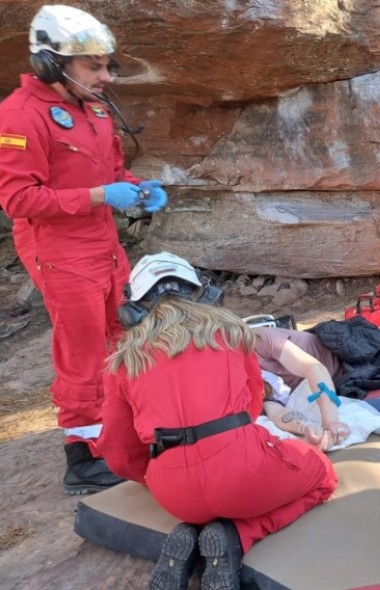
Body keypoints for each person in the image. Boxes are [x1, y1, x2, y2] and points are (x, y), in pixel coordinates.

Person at [0, 5, 168, 494]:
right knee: (83, 350)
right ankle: (83, 453)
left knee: (121, 333)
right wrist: (100, 197)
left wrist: (136, 187)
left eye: (106, 65)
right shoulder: (18, 115)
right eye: (94, 66)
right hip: (59, 250)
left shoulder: (92, 108)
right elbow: (17, 198)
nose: (106, 76)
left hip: (103, 244)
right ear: (52, 64)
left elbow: (111, 173)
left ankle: (119, 433)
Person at [99, 253, 337, 590]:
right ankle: (236, 535)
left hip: (173, 496)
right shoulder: (231, 333)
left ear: (133, 310)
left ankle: (196, 533)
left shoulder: (123, 360)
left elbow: (118, 450)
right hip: (242, 474)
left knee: (206, 490)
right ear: (204, 294)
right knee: (323, 475)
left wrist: (156, 475)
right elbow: (253, 407)